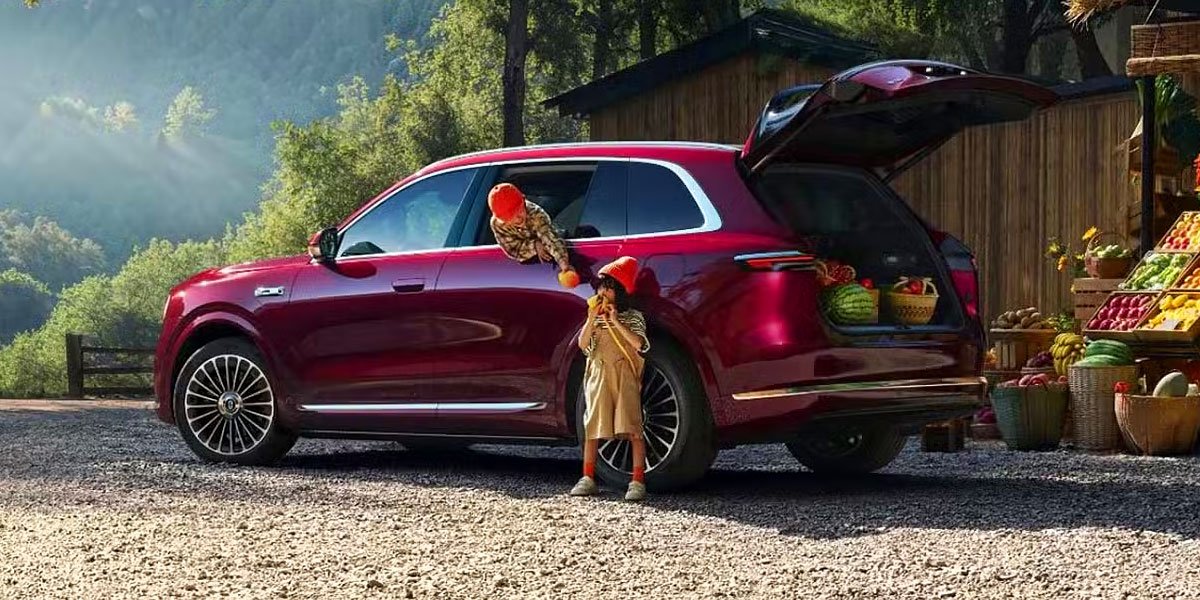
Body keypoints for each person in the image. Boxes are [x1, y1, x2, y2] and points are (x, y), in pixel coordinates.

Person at [570, 256, 650, 501]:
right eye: (601, 287)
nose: (603, 293)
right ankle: (587, 476)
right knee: (593, 424)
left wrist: (615, 321)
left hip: (624, 375)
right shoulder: (594, 319)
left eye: (609, 288)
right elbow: (583, 344)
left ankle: (637, 480)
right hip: (599, 374)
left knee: (632, 425)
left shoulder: (633, 317)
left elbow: (639, 344)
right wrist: (591, 319)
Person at [488, 183, 579, 288]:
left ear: (524, 202)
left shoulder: (536, 213)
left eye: (519, 211)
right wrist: (534, 245)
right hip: (521, 274)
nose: (517, 219)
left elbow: (550, 239)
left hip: (548, 259)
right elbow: (513, 250)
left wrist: (564, 265)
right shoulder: (497, 224)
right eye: (510, 217)